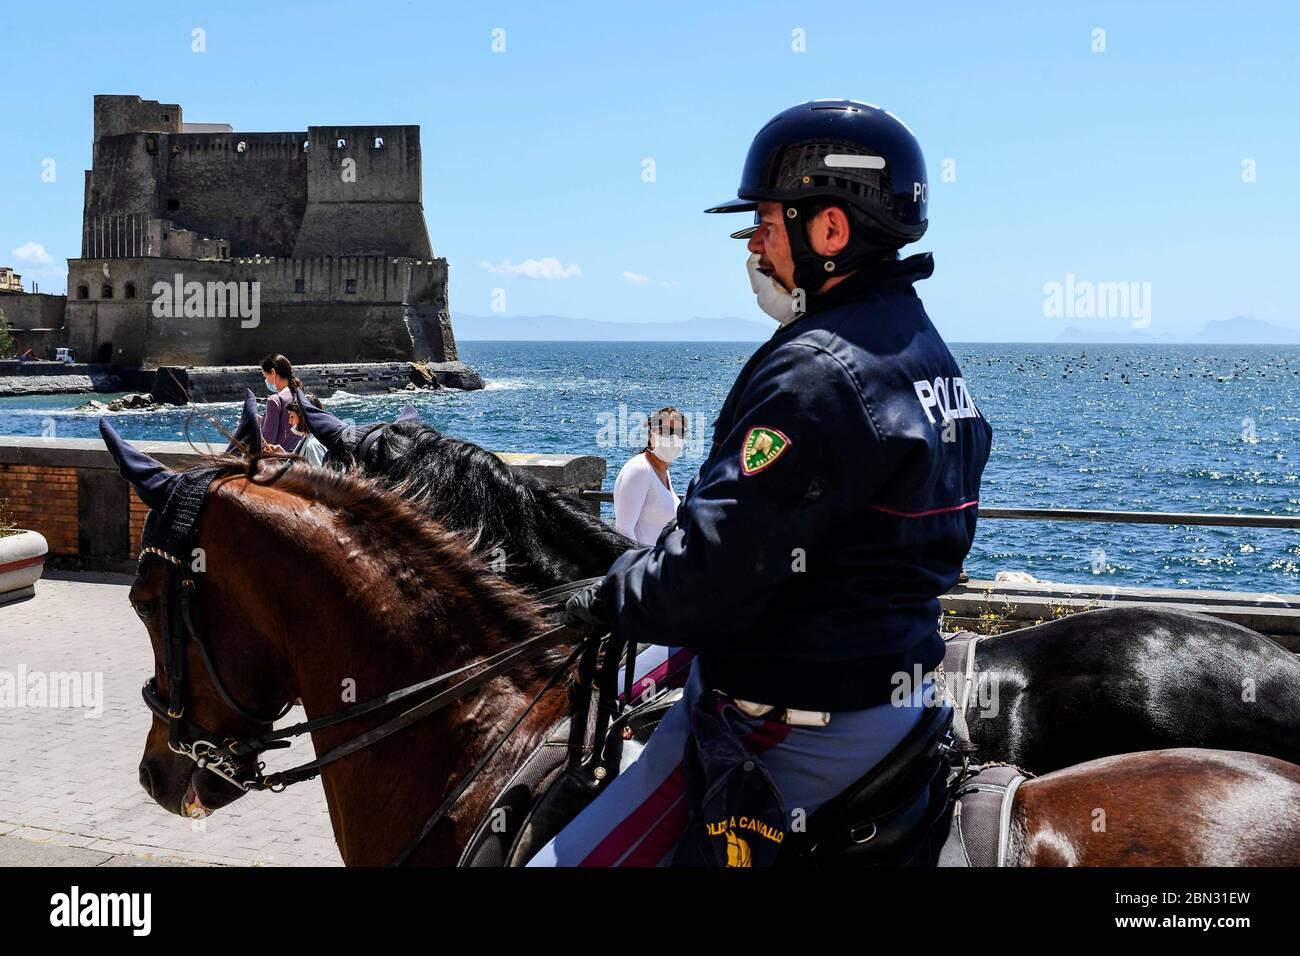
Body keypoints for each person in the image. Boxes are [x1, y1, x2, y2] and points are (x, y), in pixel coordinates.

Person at [530, 100, 993, 867]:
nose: (752, 247)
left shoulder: (815, 370)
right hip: (898, 692)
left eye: (765, 225)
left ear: (831, 230)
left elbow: (713, 577)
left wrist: (606, 596)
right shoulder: (923, 351)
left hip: (801, 721)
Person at [613, 407, 683, 547]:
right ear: (651, 436)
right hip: (643, 564)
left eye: (679, 432)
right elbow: (623, 531)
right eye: (665, 431)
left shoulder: (663, 471)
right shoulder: (640, 469)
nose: (673, 437)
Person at [260, 353, 302, 453]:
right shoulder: (301, 395)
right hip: (298, 459)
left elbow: (268, 443)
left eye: (265, 376)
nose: (266, 380)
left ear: (273, 372)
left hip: (278, 462)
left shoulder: (274, 400)